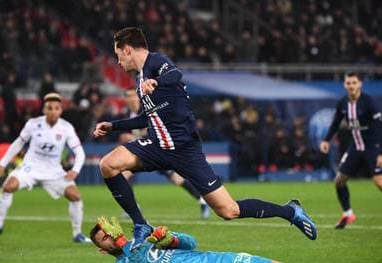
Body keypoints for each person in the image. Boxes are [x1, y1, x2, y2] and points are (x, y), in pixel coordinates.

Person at [93, 27, 317, 250]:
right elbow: (147, 118)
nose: (118, 62)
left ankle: (290, 211)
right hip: (156, 145)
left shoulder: (156, 62)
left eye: (118, 55)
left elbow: (175, 74)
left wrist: (157, 82)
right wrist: (113, 126)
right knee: (108, 165)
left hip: (184, 149)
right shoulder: (140, 78)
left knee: (228, 211)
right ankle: (141, 225)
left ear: (128, 49)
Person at [0, 93, 92, 243]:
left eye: (56, 108)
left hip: (54, 171)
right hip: (30, 167)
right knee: (8, 187)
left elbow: (79, 152)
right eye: (49, 108)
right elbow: (18, 143)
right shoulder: (33, 124)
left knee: (75, 197)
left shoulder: (66, 128)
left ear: (60, 111)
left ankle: (77, 234)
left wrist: (75, 170)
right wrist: (2, 164)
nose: (53, 111)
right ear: (44, 110)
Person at [319, 72, 382, 229]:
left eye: (354, 82)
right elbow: (335, 123)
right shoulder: (342, 103)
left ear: (360, 84)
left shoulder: (369, 102)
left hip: (372, 147)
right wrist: (327, 140)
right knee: (339, 180)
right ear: (344, 85)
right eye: (348, 83)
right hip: (355, 147)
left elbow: (381, 128)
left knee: (380, 181)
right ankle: (348, 214)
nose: (351, 86)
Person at [121, 88, 210, 219]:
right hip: (142, 151)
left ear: (138, 97)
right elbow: (126, 133)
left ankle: (202, 200)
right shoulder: (127, 113)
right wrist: (125, 136)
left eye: (133, 96)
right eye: (128, 96)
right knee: (123, 174)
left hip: (158, 150)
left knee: (177, 179)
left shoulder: (147, 108)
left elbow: (155, 129)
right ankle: (133, 208)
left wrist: (135, 136)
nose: (130, 99)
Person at [90, 216, 279, 263]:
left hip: (214, 259)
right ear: (102, 250)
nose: (111, 236)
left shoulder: (145, 239)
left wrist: (172, 240)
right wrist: (122, 242)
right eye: (105, 238)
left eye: (110, 232)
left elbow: (192, 243)